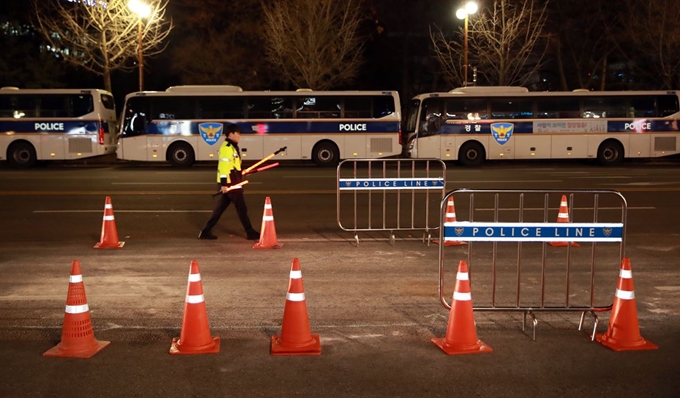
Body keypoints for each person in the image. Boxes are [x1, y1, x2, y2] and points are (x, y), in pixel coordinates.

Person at [198, 124, 260, 240]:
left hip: (233, 181)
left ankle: (205, 231)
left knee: (219, 209)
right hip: (231, 183)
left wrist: (243, 171)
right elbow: (223, 167)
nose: (239, 136)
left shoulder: (232, 147)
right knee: (241, 207)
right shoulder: (227, 148)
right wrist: (224, 184)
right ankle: (250, 232)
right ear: (231, 134)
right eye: (238, 134)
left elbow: (233, 165)